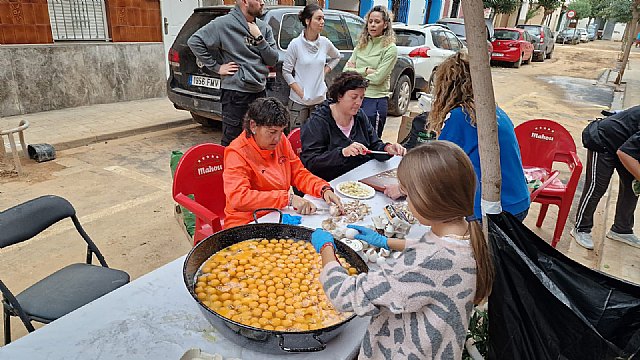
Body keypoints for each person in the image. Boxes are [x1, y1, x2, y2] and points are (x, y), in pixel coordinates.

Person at [310, 141, 494, 359]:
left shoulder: (422, 263)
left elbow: (346, 295)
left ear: (428, 200)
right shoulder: (468, 234)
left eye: (408, 195)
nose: (407, 203)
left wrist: (327, 249)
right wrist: (386, 242)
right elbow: (435, 253)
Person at [426, 51, 530, 221]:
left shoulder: (460, 117)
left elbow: (438, 169)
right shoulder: (495, 111)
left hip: (493, 209)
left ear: (445, 87)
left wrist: (404, 188)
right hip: (518, 201)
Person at [222, 98, 343, 229]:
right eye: (272, 132)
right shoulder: (237, 152)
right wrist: (288, 199)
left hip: (279, 214)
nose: (277, 138)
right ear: (253, 126)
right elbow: (239, 198)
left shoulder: (281, 141)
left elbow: (298, 173)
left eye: (281, 131)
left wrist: (322, 189)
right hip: (247, 222)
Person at [188, 0, 278, 146]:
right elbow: (195, 41)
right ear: (245, 1)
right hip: (235, 93)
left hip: (259, 92)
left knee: (257, 141)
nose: (263, 3)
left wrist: (259, 39)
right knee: (233, 141)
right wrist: (217, 67)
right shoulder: (224, 24)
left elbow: (272, 60)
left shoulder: (263, 28)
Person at [300, 72, 405, 182]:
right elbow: (311, 162)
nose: (358, 103)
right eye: (354, 97)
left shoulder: (360, 116)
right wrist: (343, 153)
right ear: (339, 96)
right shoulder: (318, 122)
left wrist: (387, 149)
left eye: (362, 98)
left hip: (358, 177)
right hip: (328, 182)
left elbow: (374, 145)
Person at [571, 105, 640, 250]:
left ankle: (622, 230)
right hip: (604, 140)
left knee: (632, 186)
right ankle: (581, 228)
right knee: (597, 186)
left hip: (625, 144)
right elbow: (624, 154)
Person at [282, 4, 341, 131]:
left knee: (317, 137)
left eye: (323, 18)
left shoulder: (325, 42)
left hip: (319, 99)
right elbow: (286, 72)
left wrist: (325, 70)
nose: (322, 22)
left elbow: (337, 57)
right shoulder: (295, 44)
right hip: (298, 102)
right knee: (297, 139)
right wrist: (301, 93)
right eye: (318, 18)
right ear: (308, 21)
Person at [343, 5, 397, 138]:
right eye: (370, 21)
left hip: (375, 100)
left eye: (377, 22)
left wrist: (355, 71)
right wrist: (366, 71)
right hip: (355, 97)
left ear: (385, 25)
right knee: (351, 138)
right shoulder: (361, 44)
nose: (372, 25)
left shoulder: (390, 48)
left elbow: (378, 78)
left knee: (370, 140)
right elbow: (345, 72)